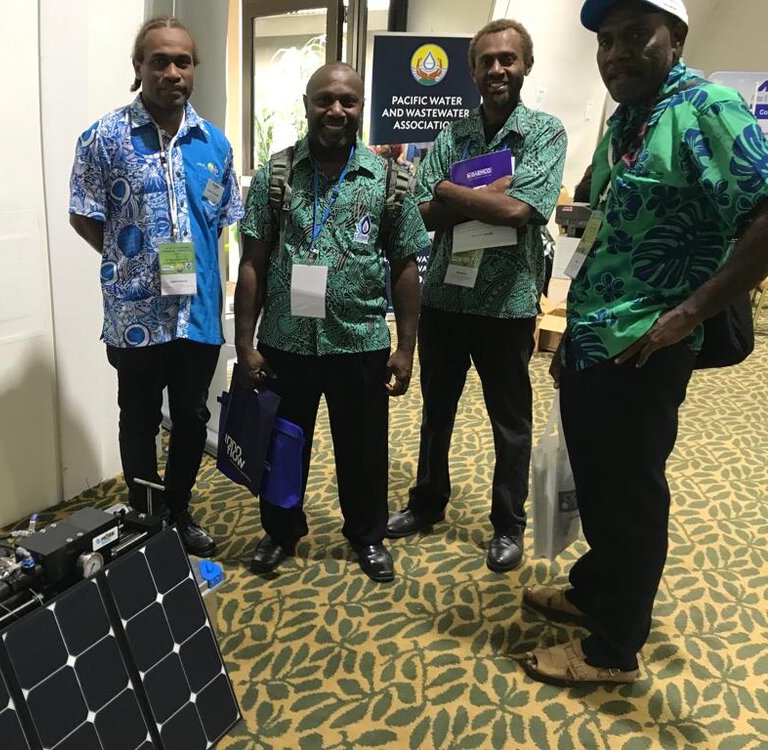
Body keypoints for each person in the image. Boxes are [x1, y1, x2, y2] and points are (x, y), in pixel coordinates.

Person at [521, 0, 768, 686]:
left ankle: (612, 649)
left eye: (635, 35)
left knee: (630, 497)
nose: (616, 53)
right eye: (605, 40)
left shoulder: (708, 109)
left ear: (676, 38)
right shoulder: (632, 118)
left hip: (648, 349)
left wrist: (688, 315)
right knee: (599, 484)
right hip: (598, 335)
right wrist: (572, 331)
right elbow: (600, 228)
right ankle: (597, 590)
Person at [385, 20, 568, 572]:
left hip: (506, 304)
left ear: (525, 66)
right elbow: (421, 212)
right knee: (436, 412)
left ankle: (508, 525)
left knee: (509, 422)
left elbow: (521, 212)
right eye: (486, 61)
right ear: (471, 71)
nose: (497, 70)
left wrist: (446, 188)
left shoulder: (544, 133)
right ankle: (427, 502)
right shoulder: (452, 136)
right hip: (445, 298)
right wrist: (470, 193)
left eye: (508, 59)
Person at [235, 63, 427, 582]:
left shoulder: (390, 180)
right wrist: (244, 345)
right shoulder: (276, 175)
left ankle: (367, 536)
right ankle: (280, 532)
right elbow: (252, 262)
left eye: (348, 101)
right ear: (305, 104)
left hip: (358, 341)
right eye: (325, 100)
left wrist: (406, 349)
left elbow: (407, 265)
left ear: (362, 107)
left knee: (364, 450)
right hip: (285, 341)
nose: (336, 111)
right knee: (283, 444)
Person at [68, 16, 243, 557]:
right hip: (135, 314)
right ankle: (146, 518)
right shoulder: (102, 139)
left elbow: (221, 220)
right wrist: (128, 261)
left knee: (191, 417)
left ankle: (180, 509)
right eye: (159, 61)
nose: (172, 72)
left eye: (182, 62)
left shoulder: (214, 143)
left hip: (199, 313)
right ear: (138, 67)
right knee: (139, 418)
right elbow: (84, 215)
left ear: (194, 69)